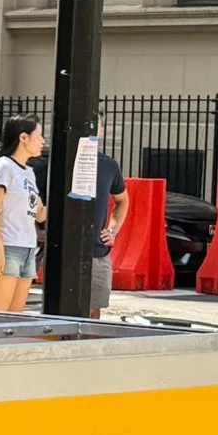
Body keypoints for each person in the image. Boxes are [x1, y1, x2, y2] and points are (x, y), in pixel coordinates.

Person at [0, 115, 46, 313]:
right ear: (23, 138)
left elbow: (40, 214)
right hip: (8, 246)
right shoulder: (4, 166)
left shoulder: (29, 172)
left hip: (28, 247)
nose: (43, 141)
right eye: (39, 135)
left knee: (15, 317)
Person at [84, 126, 129, 319]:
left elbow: (122, 200)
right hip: (63, 253)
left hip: (97, 252)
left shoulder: (108, 165)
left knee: (93, 312)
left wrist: (112, 231)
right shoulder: (57, 162)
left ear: (101, 130)